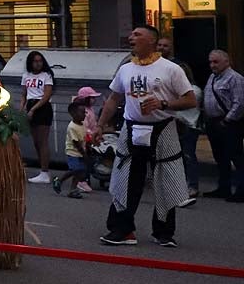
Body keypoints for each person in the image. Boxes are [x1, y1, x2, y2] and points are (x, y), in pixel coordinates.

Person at [95, 25, 197, 247]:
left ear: (152, 40)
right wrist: (100, 125)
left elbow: (190, 100)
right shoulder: (125, 69)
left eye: (137, 34)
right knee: (125, 180)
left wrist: (163, 103)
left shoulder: (171, 69)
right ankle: (122, 230)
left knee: (165, 180)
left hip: (163, 128)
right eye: (131, 34)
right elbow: (113, 99)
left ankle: (163, 232)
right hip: (132, 128)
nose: (131, 37)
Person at [159, 36, 202, 204]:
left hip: (187, 126)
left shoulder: (193, 91)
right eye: (159, 45)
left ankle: (192, 185)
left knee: (187, 156)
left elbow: (181, 105)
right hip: (172, 125)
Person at [201, 49, 244, 202]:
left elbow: (239, 103)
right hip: (213, 122)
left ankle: (241, 190)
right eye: (210, 62)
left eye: (216, 62)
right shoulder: (213, 77)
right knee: (220, 157)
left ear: (226, 61)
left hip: (229, 123)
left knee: (236, 156)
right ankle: (223, 187)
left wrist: (227, 120)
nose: (212, 65)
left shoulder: (235, 78)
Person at [21, 51, 56, 184]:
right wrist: (23, 108)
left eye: (40, 61)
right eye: (35, 61)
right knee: (36, 141)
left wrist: (34, 109)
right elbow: (24, 94)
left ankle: (45, 171)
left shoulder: (46, 76)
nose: (38, 64)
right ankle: (42, 169)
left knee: (43, 141)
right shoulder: (26, 75)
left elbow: (46, 95)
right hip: (30, 104)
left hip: (42, 107)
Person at [52, 100, 89, 198]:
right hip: (73, 152)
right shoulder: (72, 127)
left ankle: (73, 189)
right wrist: (84, 153)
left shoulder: (82, 125)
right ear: (73, 113)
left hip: (81, 152)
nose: (84, 115)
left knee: (79, 172)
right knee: (75, 169)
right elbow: (75, 142)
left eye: (85, 112)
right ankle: (59, 180)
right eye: (82, 112)